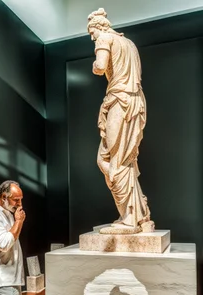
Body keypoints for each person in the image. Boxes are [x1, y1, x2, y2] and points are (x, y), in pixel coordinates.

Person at [88, 8, 154, 233]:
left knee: (112, 160)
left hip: (120, 102)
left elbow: (99, 66)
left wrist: (96, 64)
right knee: (125, 159)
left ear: (100, 27)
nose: (92, 38)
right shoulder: (130, 44)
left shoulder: (105, 38)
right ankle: (141, 216)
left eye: (91, 33)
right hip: (135, 101)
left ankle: (128, 219)